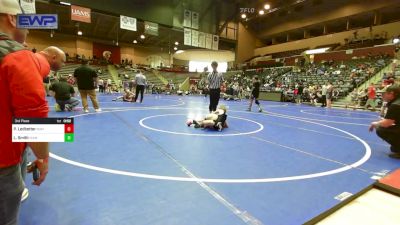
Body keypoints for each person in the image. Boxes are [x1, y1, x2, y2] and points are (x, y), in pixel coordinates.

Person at [0, 1, 54, 223]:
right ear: (12, 19)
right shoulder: (17, 56)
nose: (29, 29)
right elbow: (34, 120)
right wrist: (43, 157)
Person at [369, 85, 400, 158]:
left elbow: (387, 123)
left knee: (380, 129)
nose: (383, 96)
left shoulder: (395, 105)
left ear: (391, 93)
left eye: (384, 93)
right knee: (394, 148)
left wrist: (375, 123)